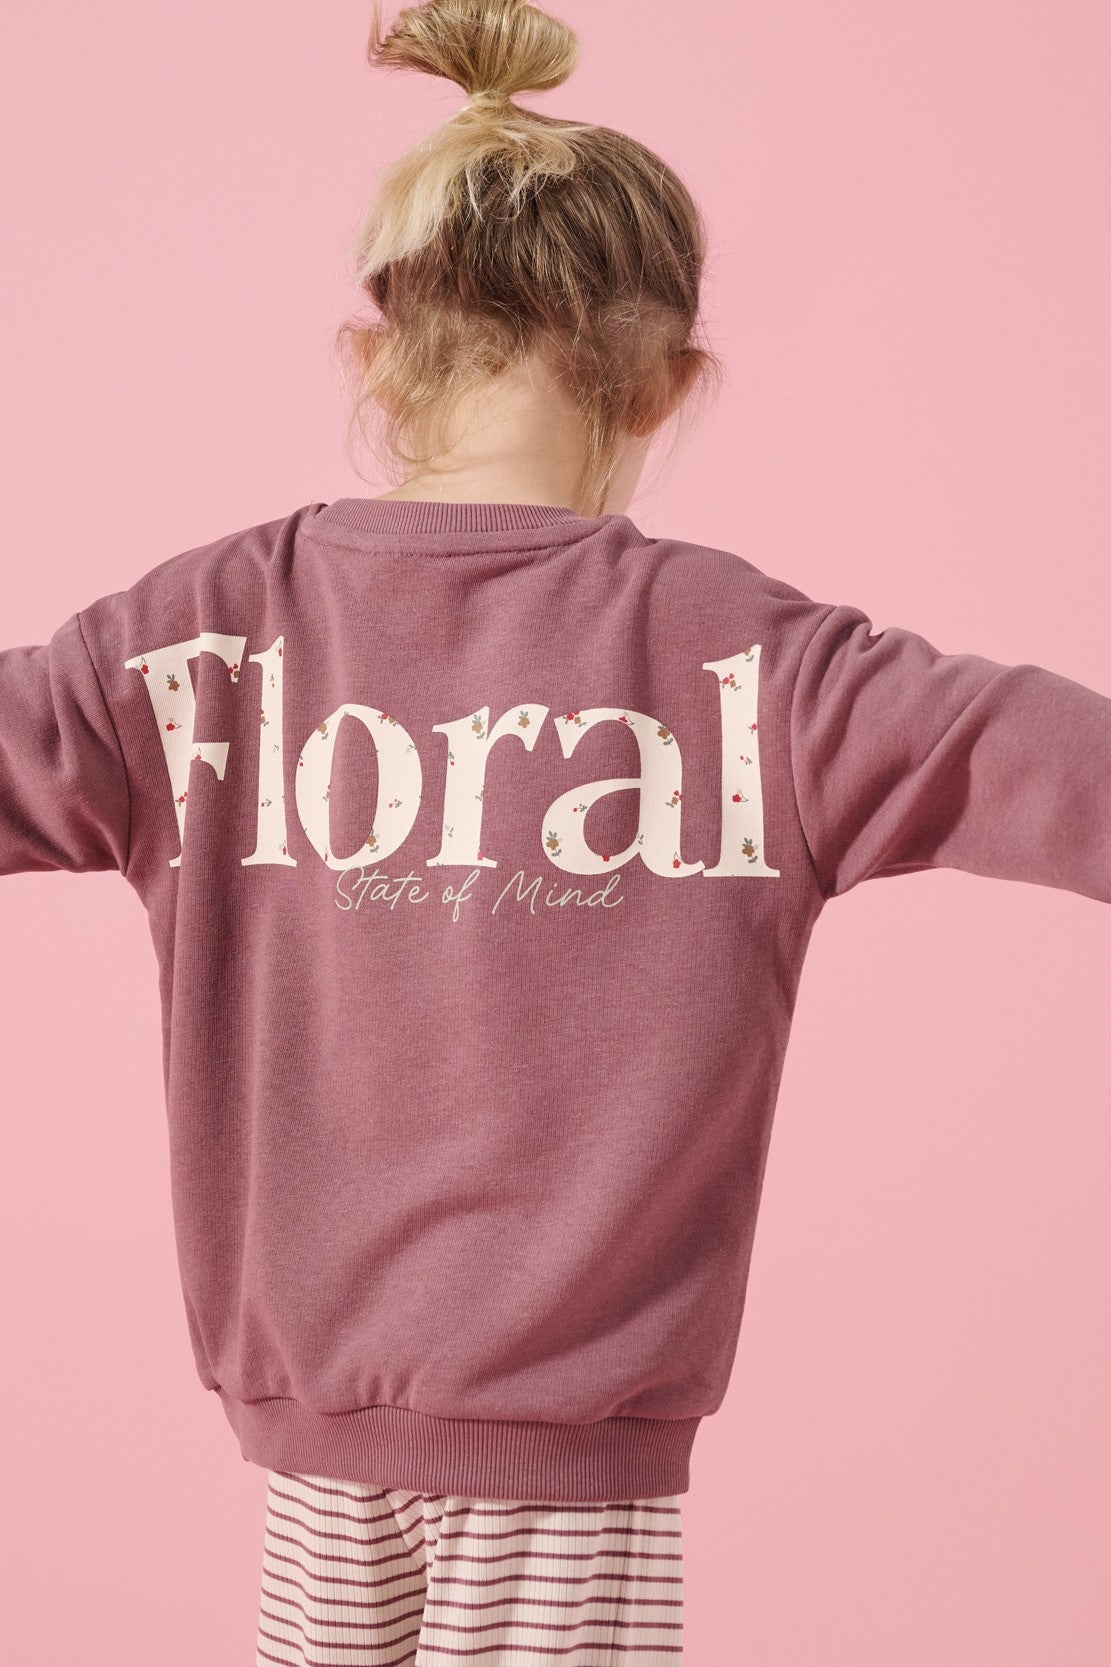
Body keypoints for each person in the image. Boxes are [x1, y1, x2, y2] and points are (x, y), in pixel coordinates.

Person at [1, 2, 1107, 1663]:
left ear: (378, 356)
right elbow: (1046, 759)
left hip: (311, 1428)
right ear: (666, 384)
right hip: (572, 1449)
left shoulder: (192, 644)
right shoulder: (763, 665)